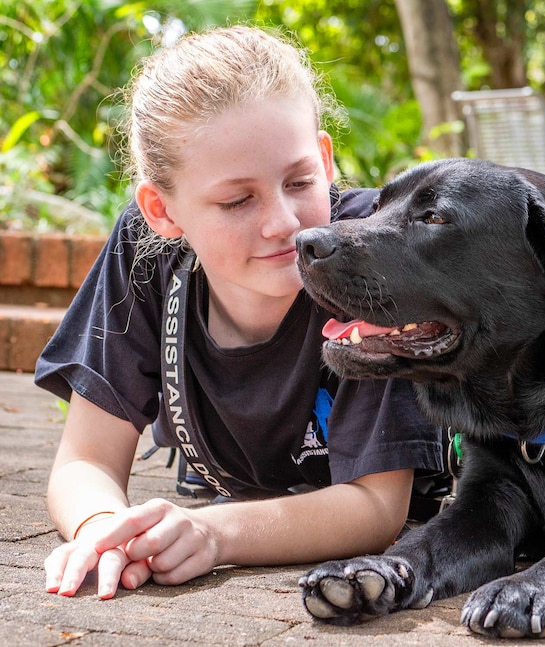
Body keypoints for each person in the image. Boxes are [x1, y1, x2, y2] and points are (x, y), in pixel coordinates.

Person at [35, 24, 443, 600]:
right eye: (236, 200)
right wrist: (109, 534)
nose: (283, 222)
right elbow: (85, 459)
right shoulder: (146, 255)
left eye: (299, 180)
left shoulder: (373, 255)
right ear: (162, 210)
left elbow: (377, 506)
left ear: (325, 160)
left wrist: (211, 532)